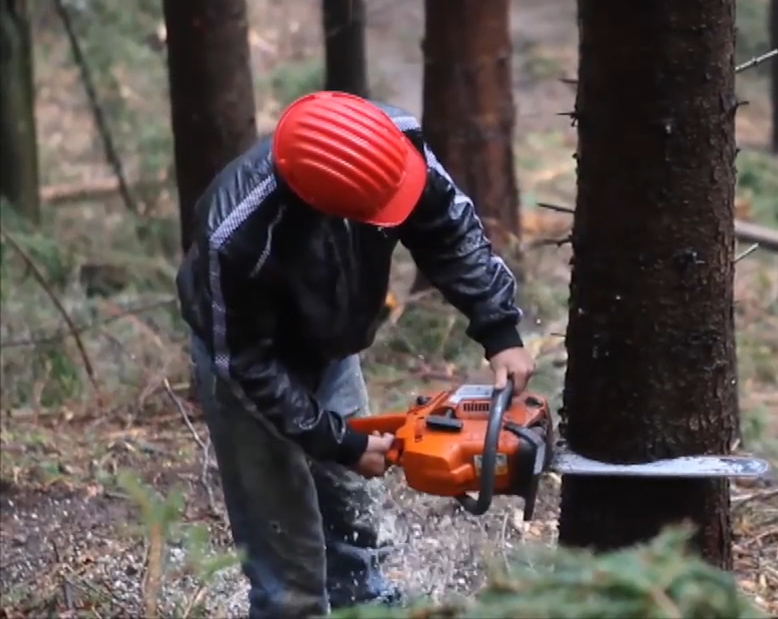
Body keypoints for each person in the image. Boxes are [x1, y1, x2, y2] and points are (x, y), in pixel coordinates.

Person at [175, 91, 535, 618]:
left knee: (352, 511)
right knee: (287, 557)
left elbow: (448, 228)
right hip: (251, 372)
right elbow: (245, 362)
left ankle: (362, 602)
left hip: (332, 349)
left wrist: (500, 327)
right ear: (321, 207)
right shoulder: (238, 235)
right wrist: (337, 441)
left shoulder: (391, 145)